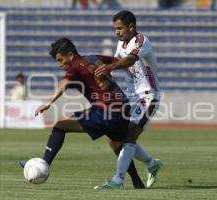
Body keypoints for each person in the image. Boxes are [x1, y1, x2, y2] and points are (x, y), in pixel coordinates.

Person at [21, 37, 148, 189]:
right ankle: (137, 182)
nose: (59, 64)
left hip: (108, 111)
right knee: (116, 144)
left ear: (69, 55)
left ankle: (43, 165)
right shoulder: (94, 58)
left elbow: (64, 83)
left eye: (60, 60)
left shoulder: (75, 66)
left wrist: (49, 102)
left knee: (60, 125)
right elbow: (121, 61)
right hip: (122, 107)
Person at [94, 10, 163, 189]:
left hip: (148, 95)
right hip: (131, 98)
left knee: (130, 134)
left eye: (120, 28)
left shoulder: (141, 40)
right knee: (115, 137)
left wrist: (109, 67)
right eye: (115, 29)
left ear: (131, 27)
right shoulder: (121, 43)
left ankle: (118, 180)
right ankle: (151, 163)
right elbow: (116, 61)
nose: (117, 32)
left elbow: (130, 60)